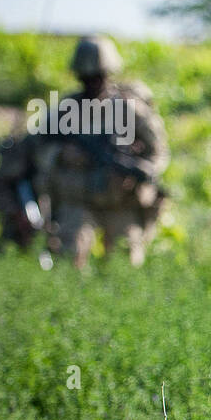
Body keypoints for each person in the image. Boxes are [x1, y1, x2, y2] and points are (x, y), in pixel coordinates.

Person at [29, 35, 169, 268]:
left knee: (124, 267)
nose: (93, 82)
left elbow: (158, 151)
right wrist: (62, 155)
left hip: (121, 201)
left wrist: (137, 169)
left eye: (98, 77)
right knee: (68, 262)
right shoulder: (66, 110)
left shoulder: (131, 109)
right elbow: (39, 148)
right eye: (87, 78)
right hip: (77, 200)